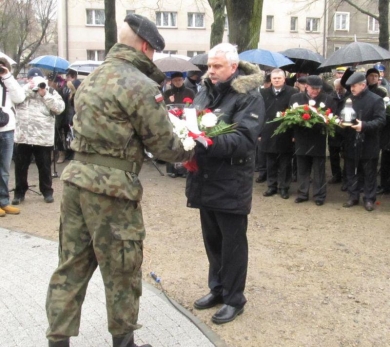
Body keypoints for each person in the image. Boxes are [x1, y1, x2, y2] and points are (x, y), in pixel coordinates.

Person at [45, 14, 193, 347]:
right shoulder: (140, 85)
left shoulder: (92, 77)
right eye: (153, 51)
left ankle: (57, 341)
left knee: (70, 267)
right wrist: (191, 146)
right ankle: (124, 344)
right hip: (112, 189)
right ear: (145, 47)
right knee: (123, 270)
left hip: (75, 181)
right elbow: (164, 146)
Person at [186, 43, 265, 324]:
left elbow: (244, 140)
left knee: (232, 244)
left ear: (233, 67)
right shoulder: (204, 90)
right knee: (212, 241)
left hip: (231, 181)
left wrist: (203, 141)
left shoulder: (249, 96)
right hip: (205, 178)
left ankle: (234, 298)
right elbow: (192, 122)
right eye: (209, 65)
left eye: (217, 66)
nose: (211, 71)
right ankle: (217, 289)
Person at [12, 68, 65, 205]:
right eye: (31, 79)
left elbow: (59, 108)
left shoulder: (50, 91)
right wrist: (29, 90)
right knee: (21, 167)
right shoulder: (21, 91)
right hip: (23, 136)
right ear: (28, 79)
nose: (34, 81)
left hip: (42, 137)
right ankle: (19, 193)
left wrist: (44, 94)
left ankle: (47, 191)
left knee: (45, 167)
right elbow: (14, 102)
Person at [289, 75, 337, 206]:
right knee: (302, 168)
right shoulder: (296, 98)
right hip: (301, 137)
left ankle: (319, 195)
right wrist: (294, 134)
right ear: (306, 86)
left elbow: (332, 117)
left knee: (319, 169)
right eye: (313, 88)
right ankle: (302, 193)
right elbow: (290, 118)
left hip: (318, 138)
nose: (315, 91)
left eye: (318, 88)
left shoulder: (327, 99)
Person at [341, 72, 386, 211]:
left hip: (368, 142)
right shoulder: (349, 99)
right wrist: (341, 122)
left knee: (369, 172)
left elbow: (380, 120)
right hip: (351, 141)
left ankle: (369, 199)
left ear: (363, 85)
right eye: (350, 86)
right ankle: (353, 196)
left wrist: (364, 126)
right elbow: (342, 115)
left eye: (354, 86)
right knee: (351, 170)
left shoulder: (376, 99)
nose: (352, 89)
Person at [260, 68, 298, 199]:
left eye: (279, 78)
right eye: (274, 78)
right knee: (270, 162)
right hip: (268, 131)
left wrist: (294, 134)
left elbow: (295, 114)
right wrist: (259, 132)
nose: (276, 80)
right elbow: (260, 113)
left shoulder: (292, 93)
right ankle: (271, 186)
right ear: (270, 80)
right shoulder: (263, 93)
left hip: (285, 132)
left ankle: (284, 187)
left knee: (285, 162)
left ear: (284, 79)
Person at [0, 57, 25, 217]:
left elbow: (20, 98)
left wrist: (7, 77)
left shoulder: (9, 82)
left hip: (7, 130)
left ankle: (3, 201)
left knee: (4, 170)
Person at [328, 78, 347, 185]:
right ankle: (336, 175)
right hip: (334, 129)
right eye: (337, 88)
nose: (339, 90)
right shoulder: (331, 97)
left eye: (341, 88)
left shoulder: (348, 97)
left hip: (345, 130)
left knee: (346, 155)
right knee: (333, 154)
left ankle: (345, 178)